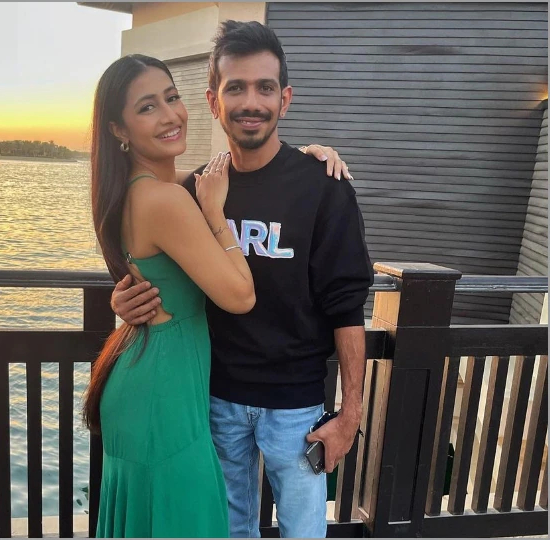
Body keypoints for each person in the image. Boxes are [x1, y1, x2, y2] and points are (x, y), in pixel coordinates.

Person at [110, 21, 374, 538]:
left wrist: (350, 415)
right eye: (236, 88)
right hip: (213, 399)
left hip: (296, 406)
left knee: (304, 531)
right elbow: (163, 272)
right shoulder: (195, 190)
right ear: (214, 101)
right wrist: (124, 299)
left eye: (265, 88)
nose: (251, 102)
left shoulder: (323, 186)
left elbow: (346, 306)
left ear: (285, 99)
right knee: (227, 531)